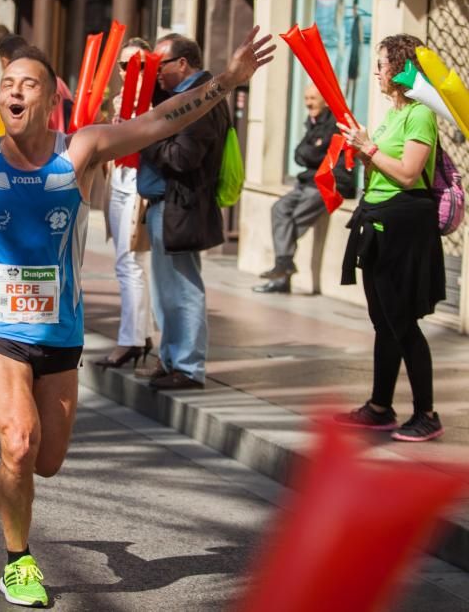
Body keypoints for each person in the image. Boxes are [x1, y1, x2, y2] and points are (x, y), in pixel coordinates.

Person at [0, 0, 272, 607]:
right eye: (6, 84)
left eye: (29, 85)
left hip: (59, 335)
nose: (14, 92)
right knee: (17, 443)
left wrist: (226, 80)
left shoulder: (82, 151)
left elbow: (162, 120)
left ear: (52, 99)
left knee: (46, 462)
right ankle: (18, 559)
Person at [334, 34, 446, 442]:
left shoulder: (420, 114)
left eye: (382, 65)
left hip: (403, 225)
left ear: (400, 69)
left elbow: (407, 173)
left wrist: (370, 147)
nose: (377, 72)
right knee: (382, 321)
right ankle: (380, 406)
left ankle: (427, 413)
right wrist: (362, 150)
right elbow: (382, 164)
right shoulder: (393, 113)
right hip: (376, 220)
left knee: (403, 322)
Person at [134, 34, 232, 392]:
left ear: (182, 63)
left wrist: (146, 134)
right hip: (170, 206)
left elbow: (182, 158)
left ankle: (189, 367)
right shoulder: (183, 98)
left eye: (160, 65)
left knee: (184, 287)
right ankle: (172, 359)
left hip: (183, 206)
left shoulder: (199, 100)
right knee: (165, 290)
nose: (155, 73)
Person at [253, 85, 355, 293]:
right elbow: (299, 154)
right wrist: (313, 151)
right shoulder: (313, 123)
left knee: (291, 221)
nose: (308, 102)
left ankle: (282, 273)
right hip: (309, 181)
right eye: (306, 98)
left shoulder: (334, 124)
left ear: (325, 101)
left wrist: (312, 152)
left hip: (330, 184)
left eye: (313, 98)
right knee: (279, 209)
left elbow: (312, 155)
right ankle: (284, 267)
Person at [93, 37, 154, 369]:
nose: (131, 72)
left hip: (139, 186)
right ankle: (141, 335)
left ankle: (131, 340)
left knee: (131, 262)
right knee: (129, 263)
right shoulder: (117, 100)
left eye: (140, 65)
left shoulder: (156, 101)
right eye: (124, 65)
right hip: (117, 180)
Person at [0, 33, 73, 131]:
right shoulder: (58, 82)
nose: (15, 92)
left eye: (29, 85)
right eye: (8, 85)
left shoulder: (54, 83)